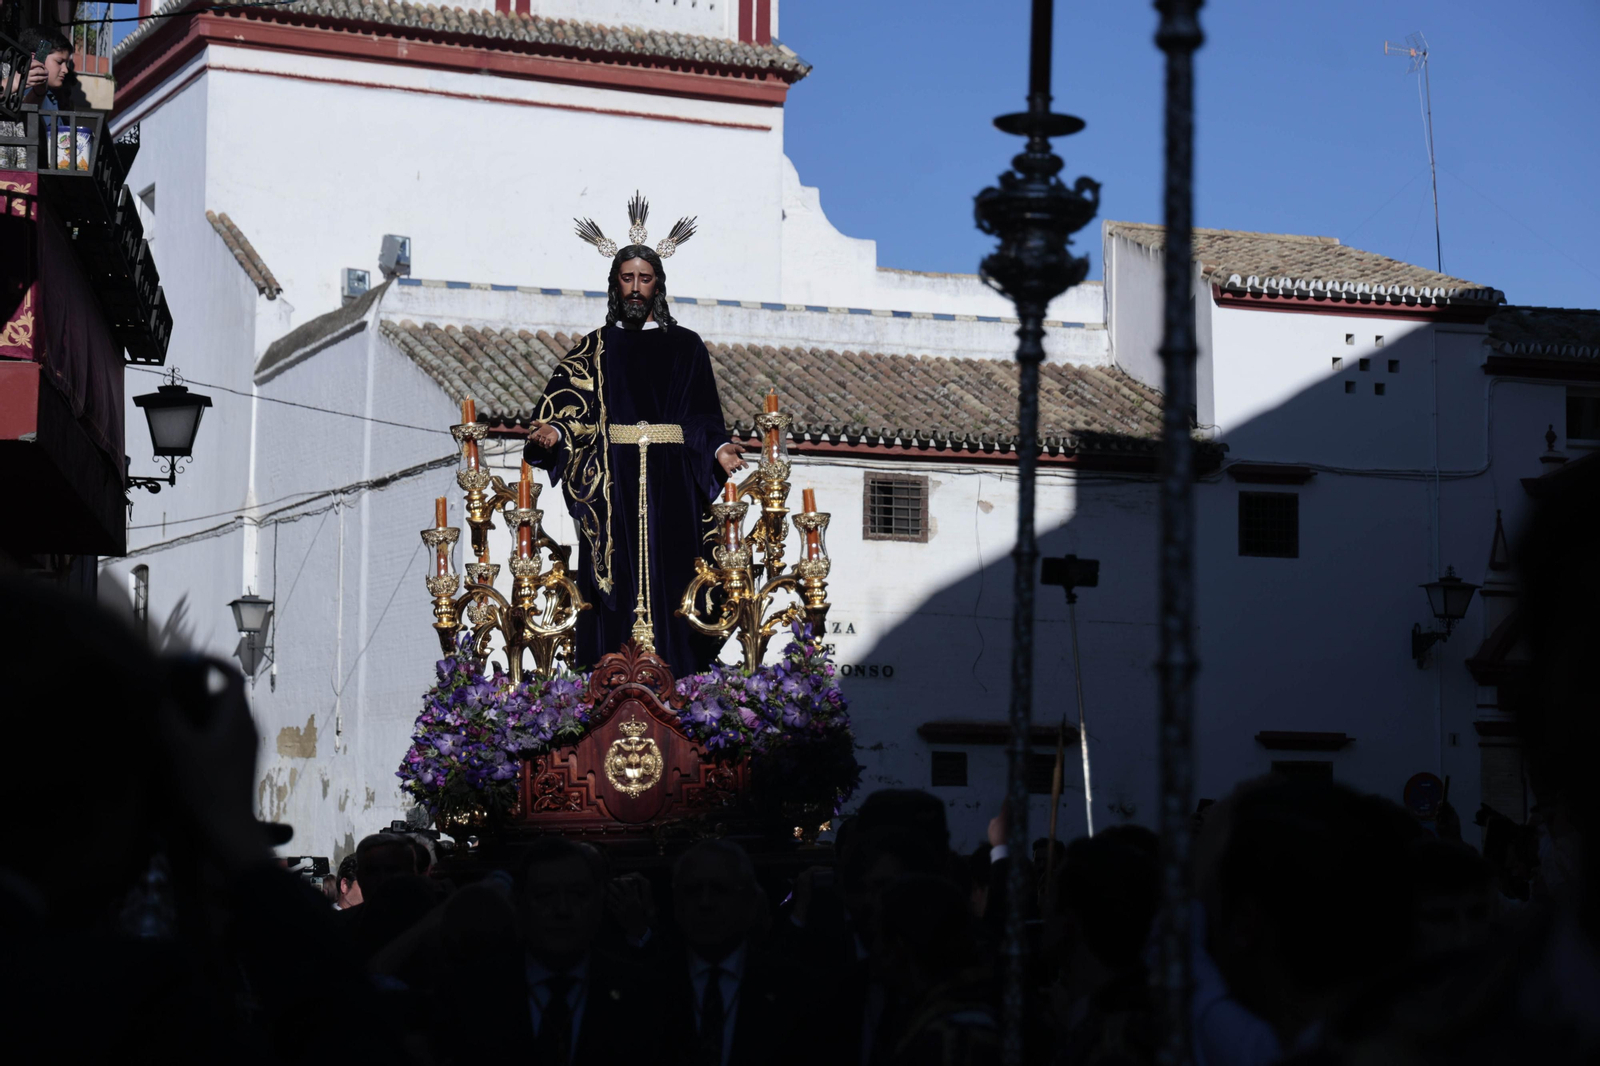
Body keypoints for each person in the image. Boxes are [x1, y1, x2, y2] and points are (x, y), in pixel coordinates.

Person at [525, 195, 747, 676]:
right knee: (618, 576)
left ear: (658, 285)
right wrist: (555, 432)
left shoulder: (685, 345)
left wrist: (719, 447)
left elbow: (701, 414)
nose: (635, 288)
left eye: (645, 279)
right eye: (627, 278)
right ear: (615, 283)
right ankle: (612, 674)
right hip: (614, 483)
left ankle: (678, 675)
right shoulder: (595, 347)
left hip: (672, 479)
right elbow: (572, 406)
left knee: (675, 575)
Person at [463, 838, 659, 1063]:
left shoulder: (641, 993)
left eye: (578, 894)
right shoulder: (476, 991)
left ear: (599, 900)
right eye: (545, 895)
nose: (562, 910)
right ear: (519, 902)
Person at [656, 839, 815, 1066]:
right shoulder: (646, 987)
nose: (705, 902)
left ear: (750, 901)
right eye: (692, 890)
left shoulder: (795, 989)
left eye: (720, 889)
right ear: (675, 902)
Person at [872, 874, 999, 1066]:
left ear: (899, 946)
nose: (875, 953)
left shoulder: (950, 1038)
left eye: (880, 939)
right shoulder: (968, 1010)